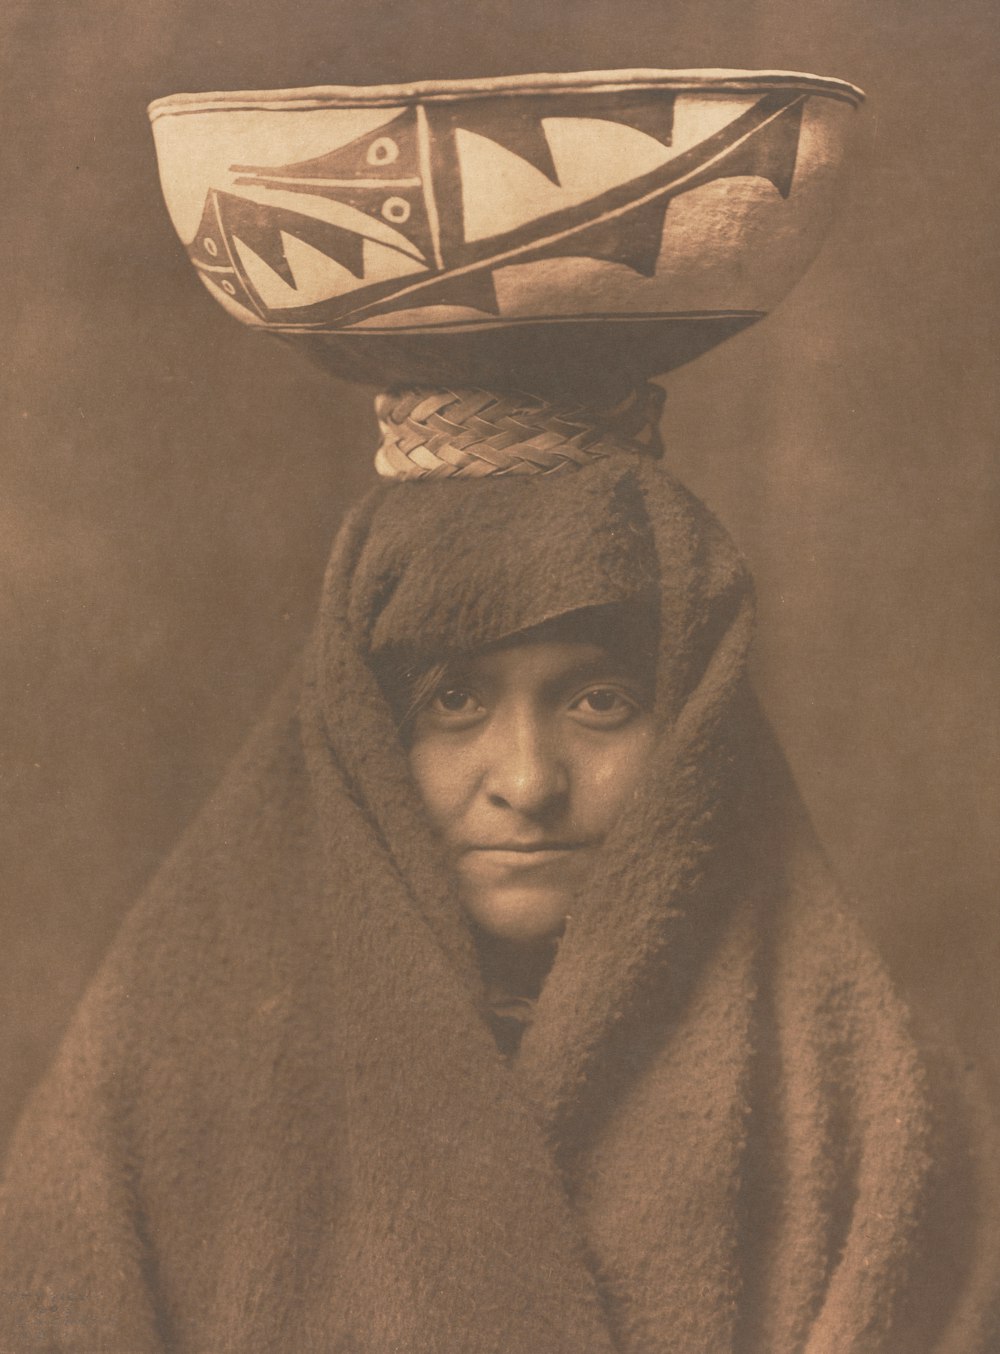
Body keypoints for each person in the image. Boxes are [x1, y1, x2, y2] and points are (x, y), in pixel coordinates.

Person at [1, 432, 998, 1352]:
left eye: (598, 701)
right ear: (367, 736)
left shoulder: (881, 1112)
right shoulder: (150, 1091)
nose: (526, 780)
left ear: (694, 738)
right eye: (455, 700)